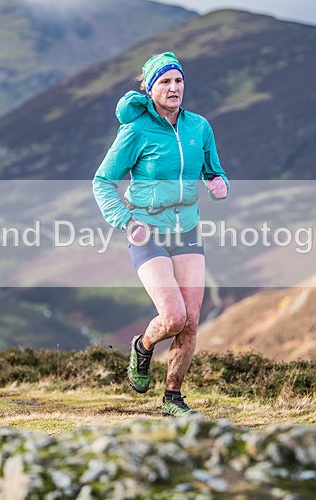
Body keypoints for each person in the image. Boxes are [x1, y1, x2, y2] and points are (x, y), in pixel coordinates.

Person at [93, 52, 229, 416]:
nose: (173, 88)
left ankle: (172, 398)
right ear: (150, 89)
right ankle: (143, 346)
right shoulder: (136, 130)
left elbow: (213, 169)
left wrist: (218, 182)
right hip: (146, 230)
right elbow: (102, 181)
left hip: (186, 229)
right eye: (165, 82)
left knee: (191, 321)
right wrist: (126, 221)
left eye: (178, 80)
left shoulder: (199, 127)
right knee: (173, 317)